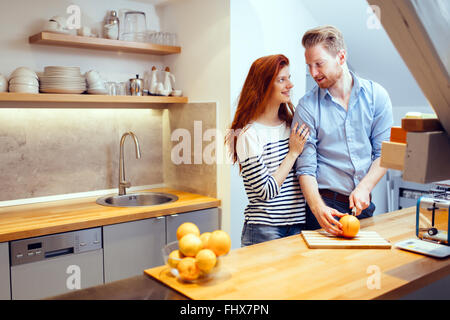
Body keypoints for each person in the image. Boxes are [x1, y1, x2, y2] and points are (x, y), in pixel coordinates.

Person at [293, 25, 393, 236]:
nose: (313, 73)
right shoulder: (307, 106)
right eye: (309, 66)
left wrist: (365, 187)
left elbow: (385, 153)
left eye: (319, 64)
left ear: (341, 56)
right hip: (324, 208)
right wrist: (318, 209)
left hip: (363, 206)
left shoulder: (377, 97)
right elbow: (305, 168)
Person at [226, 54, 310, 246]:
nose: (290, 85)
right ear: (263, 86)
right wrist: (293, 153)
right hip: (265, 229)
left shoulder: (292, 125)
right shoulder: (249, 134)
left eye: (289, 78)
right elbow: (266, 191)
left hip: (297, 225)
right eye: (281, 80)